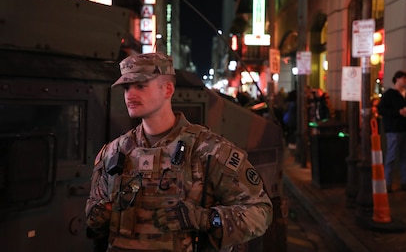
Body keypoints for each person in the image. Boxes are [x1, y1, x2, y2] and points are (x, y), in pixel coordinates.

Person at [85, 52, 273, 252]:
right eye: (126, 87)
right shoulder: (115, 151)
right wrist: (98, 216)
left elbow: (260, 212)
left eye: (140, 86)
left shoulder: (209, 150)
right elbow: (94, 210)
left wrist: (205, 219)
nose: (130, 95)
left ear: (167, 89)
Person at [377, 70, 406, 193]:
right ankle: (387, 183)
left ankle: (405, 181)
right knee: (391, 156)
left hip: (405, 129)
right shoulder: (389, 94)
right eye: (403, 78)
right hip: (394, 129)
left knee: (405, 156)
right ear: (397, 79)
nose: (405, 81)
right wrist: (398, 112)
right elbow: (381, 109)